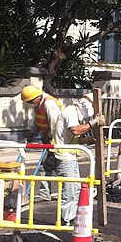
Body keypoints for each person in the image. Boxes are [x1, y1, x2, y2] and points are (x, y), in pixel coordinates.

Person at [21, 86, 104, 224]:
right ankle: (66, 220)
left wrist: (88, 140)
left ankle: (71, 217)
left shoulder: (71, 111)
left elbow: (72, 137)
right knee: (69, 191)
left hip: (69, 154)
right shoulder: (71, 112)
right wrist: (93, 123)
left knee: (76, 189)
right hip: (64, 156)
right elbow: (75, 131)